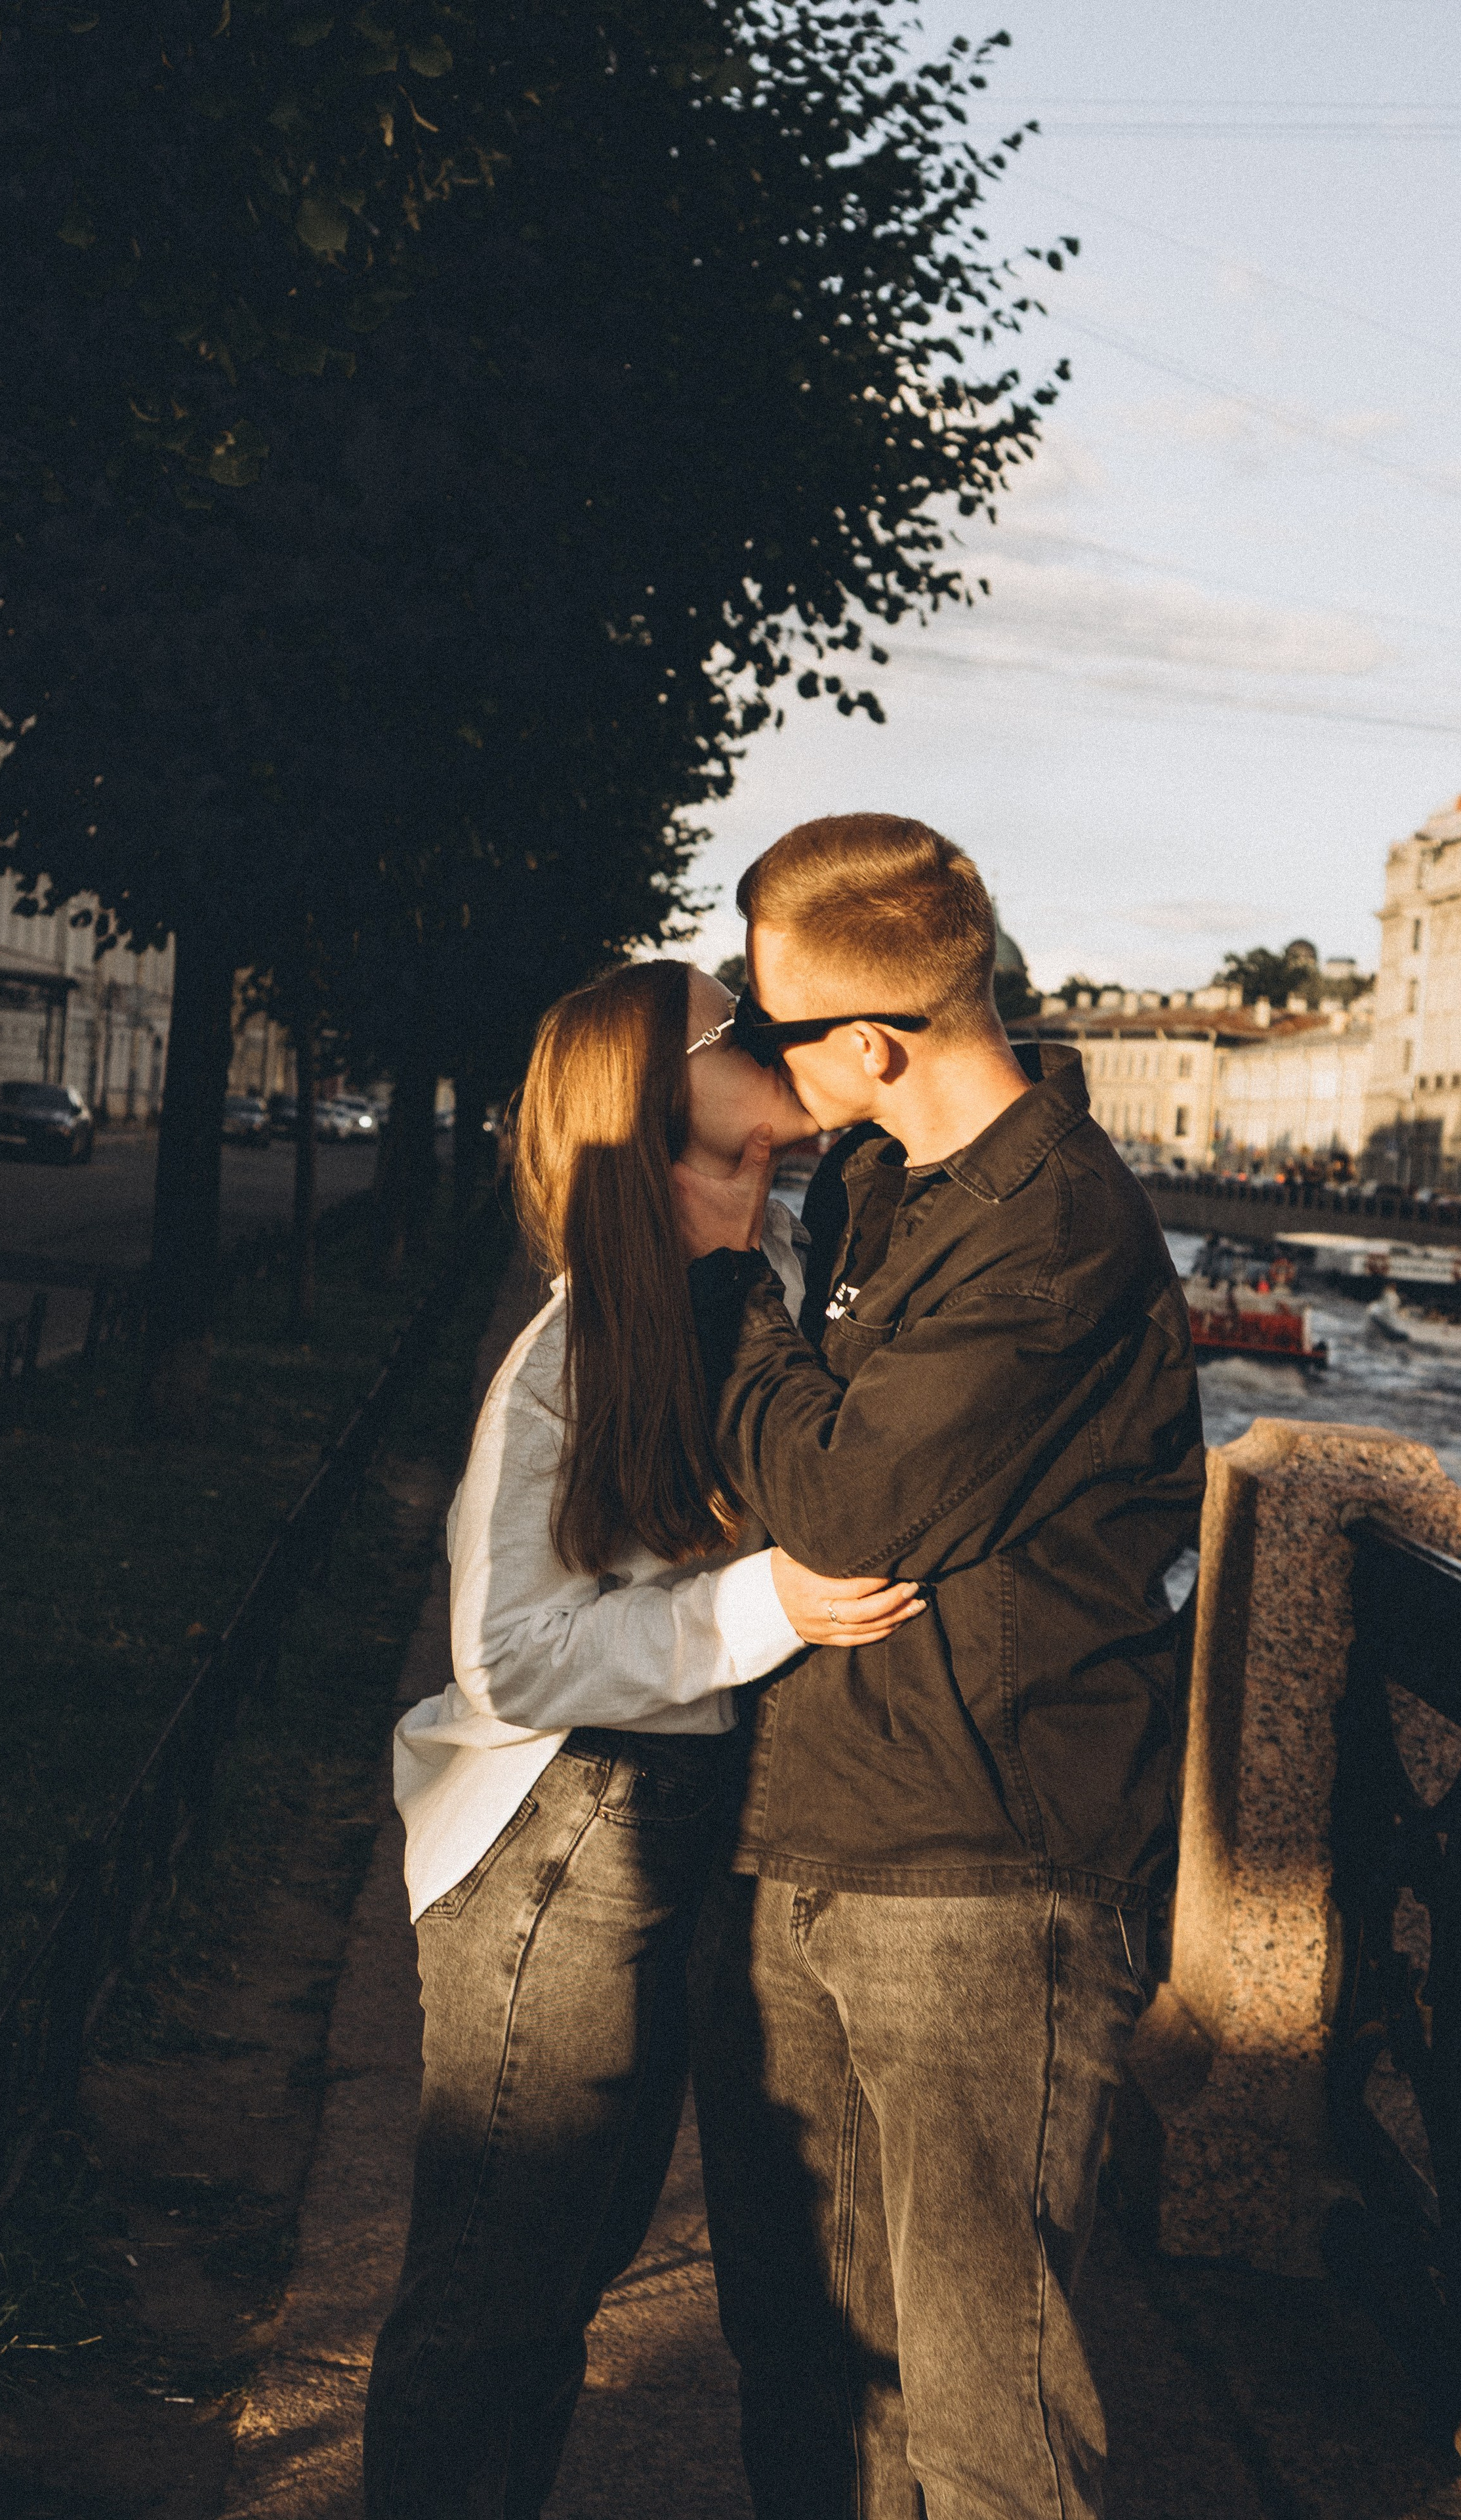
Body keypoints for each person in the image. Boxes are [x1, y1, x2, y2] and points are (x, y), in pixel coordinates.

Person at [672, 814, 1206, 2520]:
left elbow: (844, 1507)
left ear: (876, 1043)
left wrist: (712, 1282)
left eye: (773, 1024)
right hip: (803, 1846)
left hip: (982, 1896)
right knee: (811, 2390)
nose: (753, 1059)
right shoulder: (876, 1182)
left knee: (985, 2431)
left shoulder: (1058, 1234)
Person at [363, 957, 926, 2519]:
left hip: (659, 1827)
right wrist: (767, 1609)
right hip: (556, 1841)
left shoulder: (720, 1294)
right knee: (491, 2296)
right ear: (616, 1153)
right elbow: (504, 1658)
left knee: (557, 2275)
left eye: (771, 1160)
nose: (754, 1201)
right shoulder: (568, 1354)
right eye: (714, 1157)